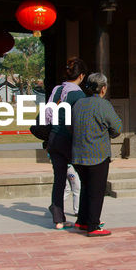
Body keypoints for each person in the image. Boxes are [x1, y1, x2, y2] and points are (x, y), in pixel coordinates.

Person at [71, 72, 122, 236]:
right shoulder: (103, 105)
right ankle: (93, 225)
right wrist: (109, 134)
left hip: (78, 154)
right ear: (103, 89)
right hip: (97, 154)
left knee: (86, 187)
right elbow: (117, 128)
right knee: (96, 190)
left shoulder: (78, 103)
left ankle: (82, 221)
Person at [45, 57, 87, 229]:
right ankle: (84, 215)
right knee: (84, 176)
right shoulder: (78, 94)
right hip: (69, 140)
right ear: (82, 76)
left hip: (54, 138)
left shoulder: (56, 89)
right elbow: (81, 120)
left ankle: (58, 218)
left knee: (59, 179)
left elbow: (48, 113)